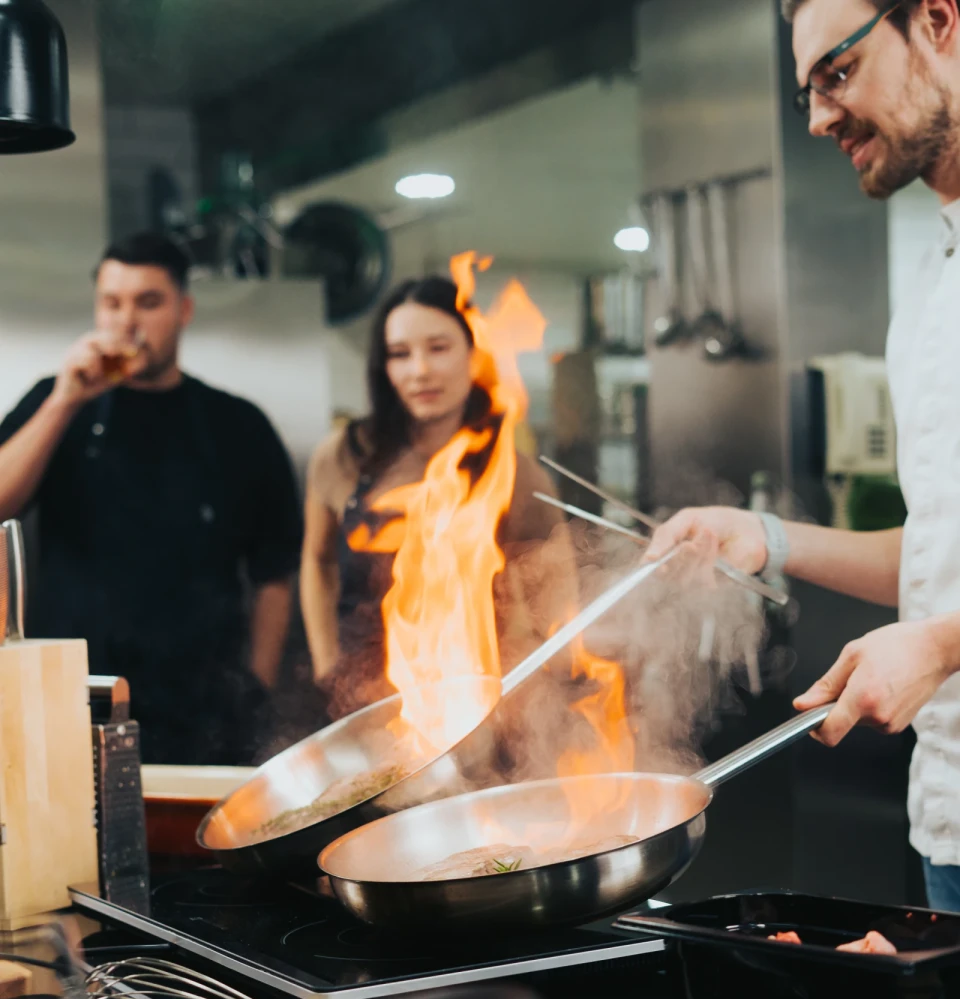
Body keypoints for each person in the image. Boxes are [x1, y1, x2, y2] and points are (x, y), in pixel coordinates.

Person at [648, 0, 960, 911]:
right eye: (807, 93)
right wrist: (767, 539)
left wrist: (942, 644)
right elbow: (940, 560)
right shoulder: (930, 302)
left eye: (838, 71)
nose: (821, 116)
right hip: (947, 819)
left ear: (937, 21)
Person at [0, 232, 302, 765]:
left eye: (148, 302)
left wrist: (255, 685)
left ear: (183, 309)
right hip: (74, 700)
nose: (126, 322)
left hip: (205, 709)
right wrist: (64, 401)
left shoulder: (238, 424)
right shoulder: (57, 401)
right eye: (112, 303)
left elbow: (274, 573)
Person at [300, 275, 573, 716]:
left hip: (478, 711)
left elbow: (558, 600)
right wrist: (325, 663)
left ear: (473, 353)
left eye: (439, 347)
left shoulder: (517, 474)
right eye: (400, 354)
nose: (420, 370)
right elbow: (317, 561)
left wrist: (528, 692)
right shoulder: (342, 457)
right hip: (362, 705)